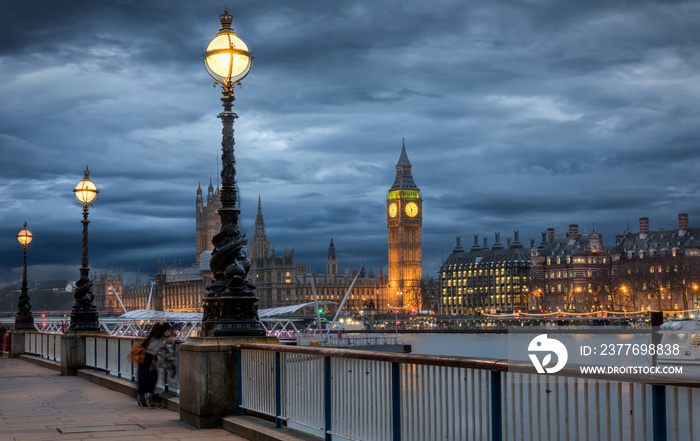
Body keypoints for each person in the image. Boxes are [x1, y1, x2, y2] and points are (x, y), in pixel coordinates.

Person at [136, 321, 171, 408]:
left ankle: (141, 397)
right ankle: (150, 398)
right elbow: (169, 338)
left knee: (143, 376)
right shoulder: (160, 334)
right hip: (151, 357)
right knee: (153, 377)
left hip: (143, 355)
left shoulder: (152, 334)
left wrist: (160, 323)